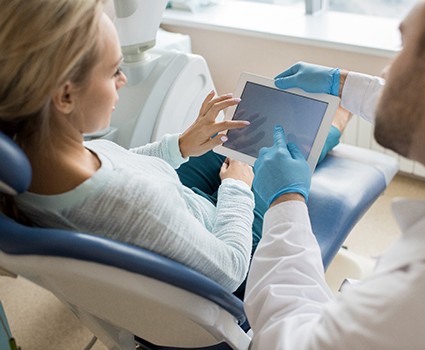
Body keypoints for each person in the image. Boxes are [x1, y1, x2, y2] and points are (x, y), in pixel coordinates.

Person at [245, 0, 425, 348]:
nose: (387, 71)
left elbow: (288, 340)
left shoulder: (424, 298)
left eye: (403, 46)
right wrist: (342, 84)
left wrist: (284, 201)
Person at [0, 0, 262, 295]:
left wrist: (179, 146)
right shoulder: (134, 205)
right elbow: (231, 270)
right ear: (65, 96)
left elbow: (117, 165)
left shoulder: (31, 156)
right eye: (114, 71)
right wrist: (237, 189)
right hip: (229, 248)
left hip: (184, 212)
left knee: (227, 144)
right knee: (273, 162)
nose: (123, 79)